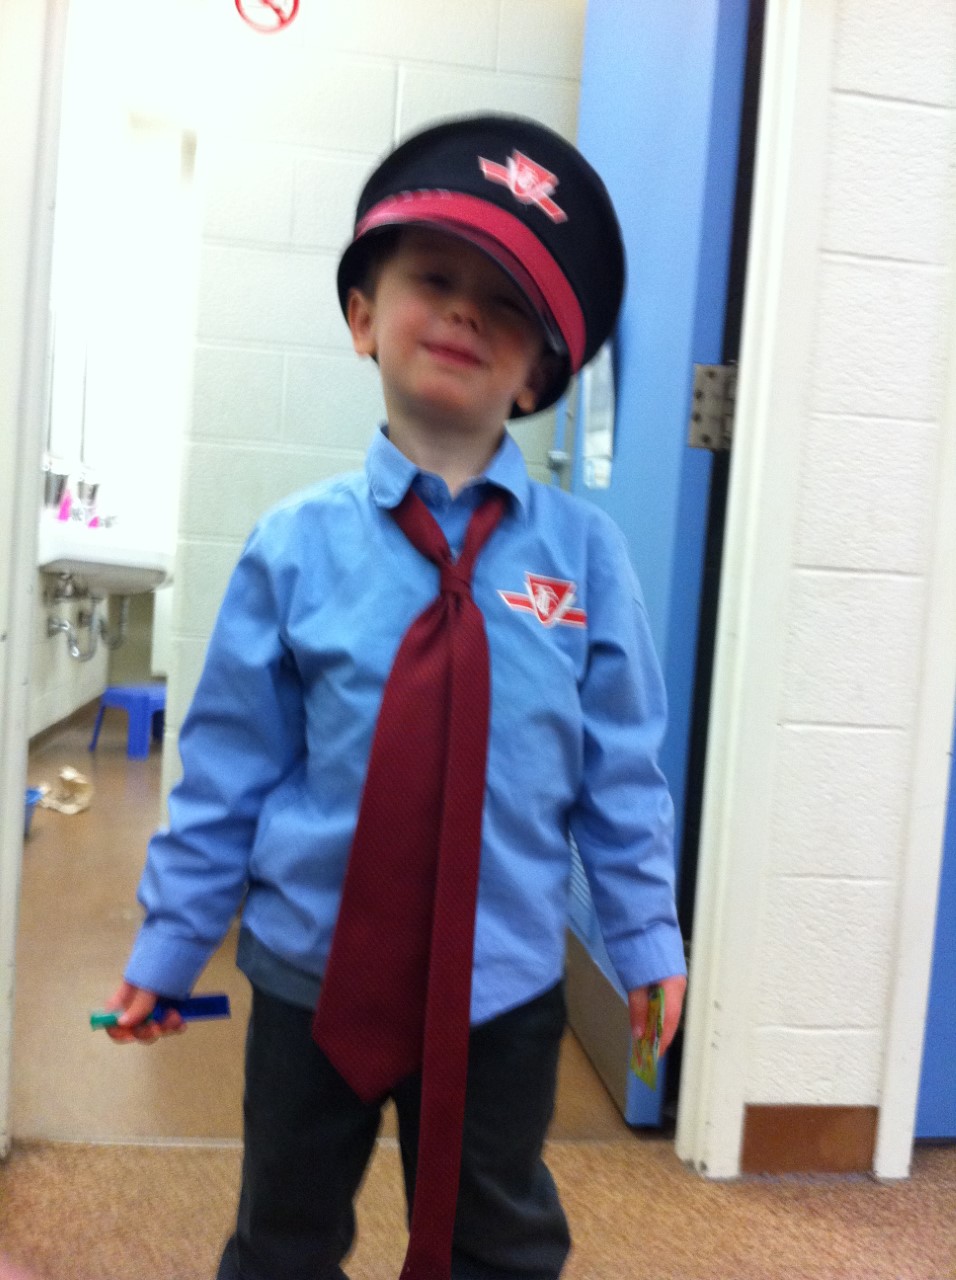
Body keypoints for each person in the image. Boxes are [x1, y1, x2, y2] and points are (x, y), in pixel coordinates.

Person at [103, 114, 688, 1280]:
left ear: (539, 373)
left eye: (504, 302)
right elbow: (226, 767)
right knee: (283, 1231)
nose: (466, 310)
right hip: (310, 968)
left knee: (498, 1235)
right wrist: (172, 939)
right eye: (433, 278)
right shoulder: (292, 548)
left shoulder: (584, 562)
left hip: (502, 983)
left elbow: (620, 774)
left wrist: (642, 934)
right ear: (363, 315)